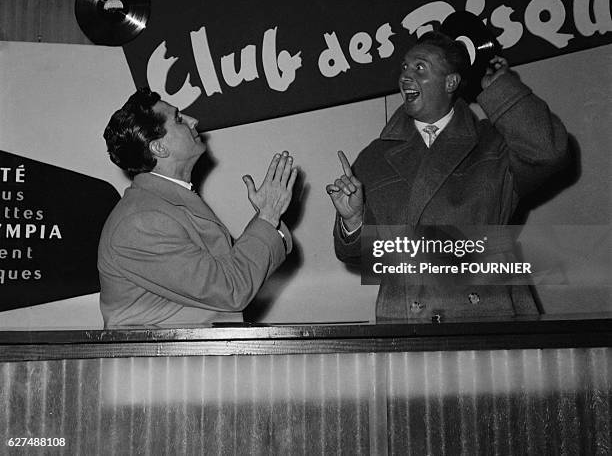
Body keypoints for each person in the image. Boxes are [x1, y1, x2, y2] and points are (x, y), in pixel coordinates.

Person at [327, 31, 569, 322]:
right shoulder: (375, 157)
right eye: (404, 67)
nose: (406, 76)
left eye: (420, 68)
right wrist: (352, 221)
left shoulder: (495, 144)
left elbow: (548, 151)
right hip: (407, 320)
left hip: (489, 315)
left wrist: (502, 89)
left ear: (450, 82)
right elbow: (368, 258)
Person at [98, 87, 297, 327]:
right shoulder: (142, 221)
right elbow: (231, 289)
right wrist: (267, 217)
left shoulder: (162, 206)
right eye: (179, 119)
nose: (194, 121)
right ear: (159, 148)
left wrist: (267, 219)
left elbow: (237, 272)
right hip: (163, 362)